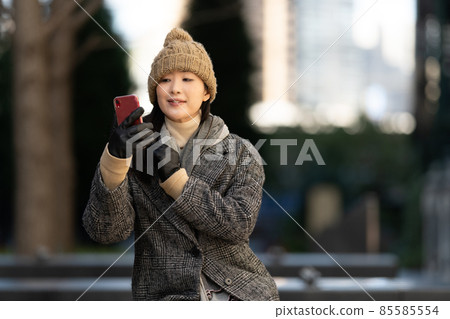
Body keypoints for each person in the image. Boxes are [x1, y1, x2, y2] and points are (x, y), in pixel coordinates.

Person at [83, 27, 279, 301]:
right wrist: (115, 159)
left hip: (240, 294)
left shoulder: (240, 151)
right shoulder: (133, 149)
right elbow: (106, 232)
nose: (175, 88)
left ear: (207, 93)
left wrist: (177, 180)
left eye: (187, 78)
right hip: (166, 299)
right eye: (165, 79)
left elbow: (239, 223)